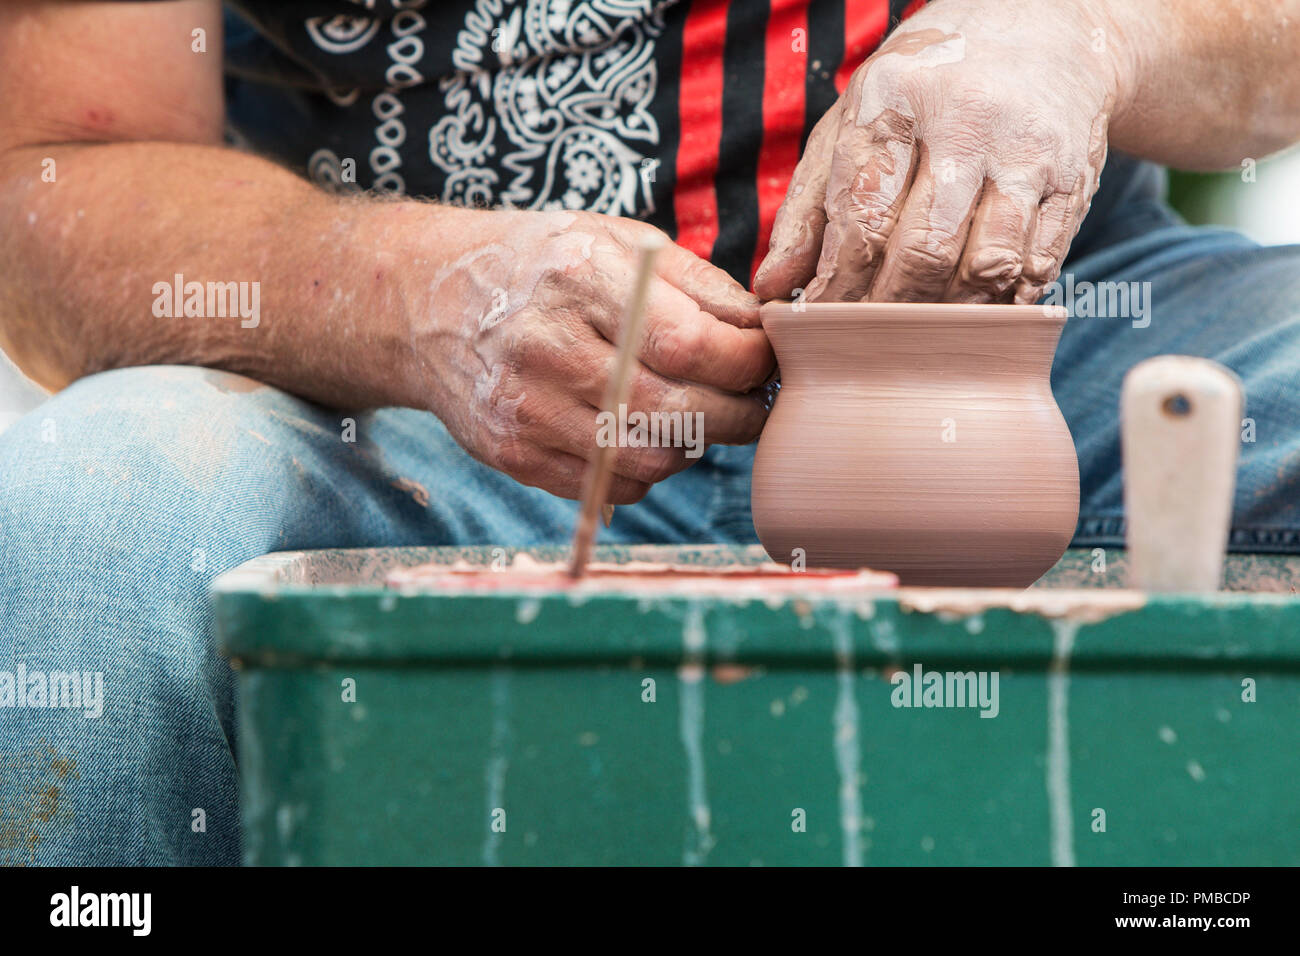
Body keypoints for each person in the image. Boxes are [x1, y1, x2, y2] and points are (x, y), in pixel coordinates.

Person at [0, 0, 1297, 865]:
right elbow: (45, 175)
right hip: (406, 389)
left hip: (1049, 342)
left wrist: (1084, 34)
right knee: (92, 516)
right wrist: (401, 293)